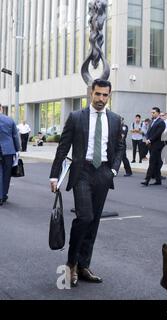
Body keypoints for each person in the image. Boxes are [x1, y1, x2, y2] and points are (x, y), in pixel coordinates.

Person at [49, 79, 124, 287]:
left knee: (94, 221)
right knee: (85, 217)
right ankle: (71, 263)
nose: (101, 99)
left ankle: (83, 266)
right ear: (91, 93)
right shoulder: (76, 117)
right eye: (98, 94)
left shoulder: (116, 119)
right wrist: (54, 175)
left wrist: (113, 171)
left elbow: (120, 147)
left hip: (103, 172)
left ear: (109, 95)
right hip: (81, 171)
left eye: (105, 95)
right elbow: (63, 147)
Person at [0, 104, 20, 206]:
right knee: (6, 173)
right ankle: (3, 194)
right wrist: (18, 149)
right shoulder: (9, 120)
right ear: (1, 109)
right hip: (8, 150)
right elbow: (15, 136)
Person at [141, 107, 166, 186]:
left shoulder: (161, 122)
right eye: (151, 112)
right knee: (156, 163)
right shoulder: (152, 121)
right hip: (151, 145)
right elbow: (149, 132)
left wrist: (150, 140)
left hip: (158, 146)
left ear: (158, 113)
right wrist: (147, 139)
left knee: (152, 163)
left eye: (154, 112)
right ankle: (158, 180)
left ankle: (147, 180)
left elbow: (158, 134)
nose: (152, 114)